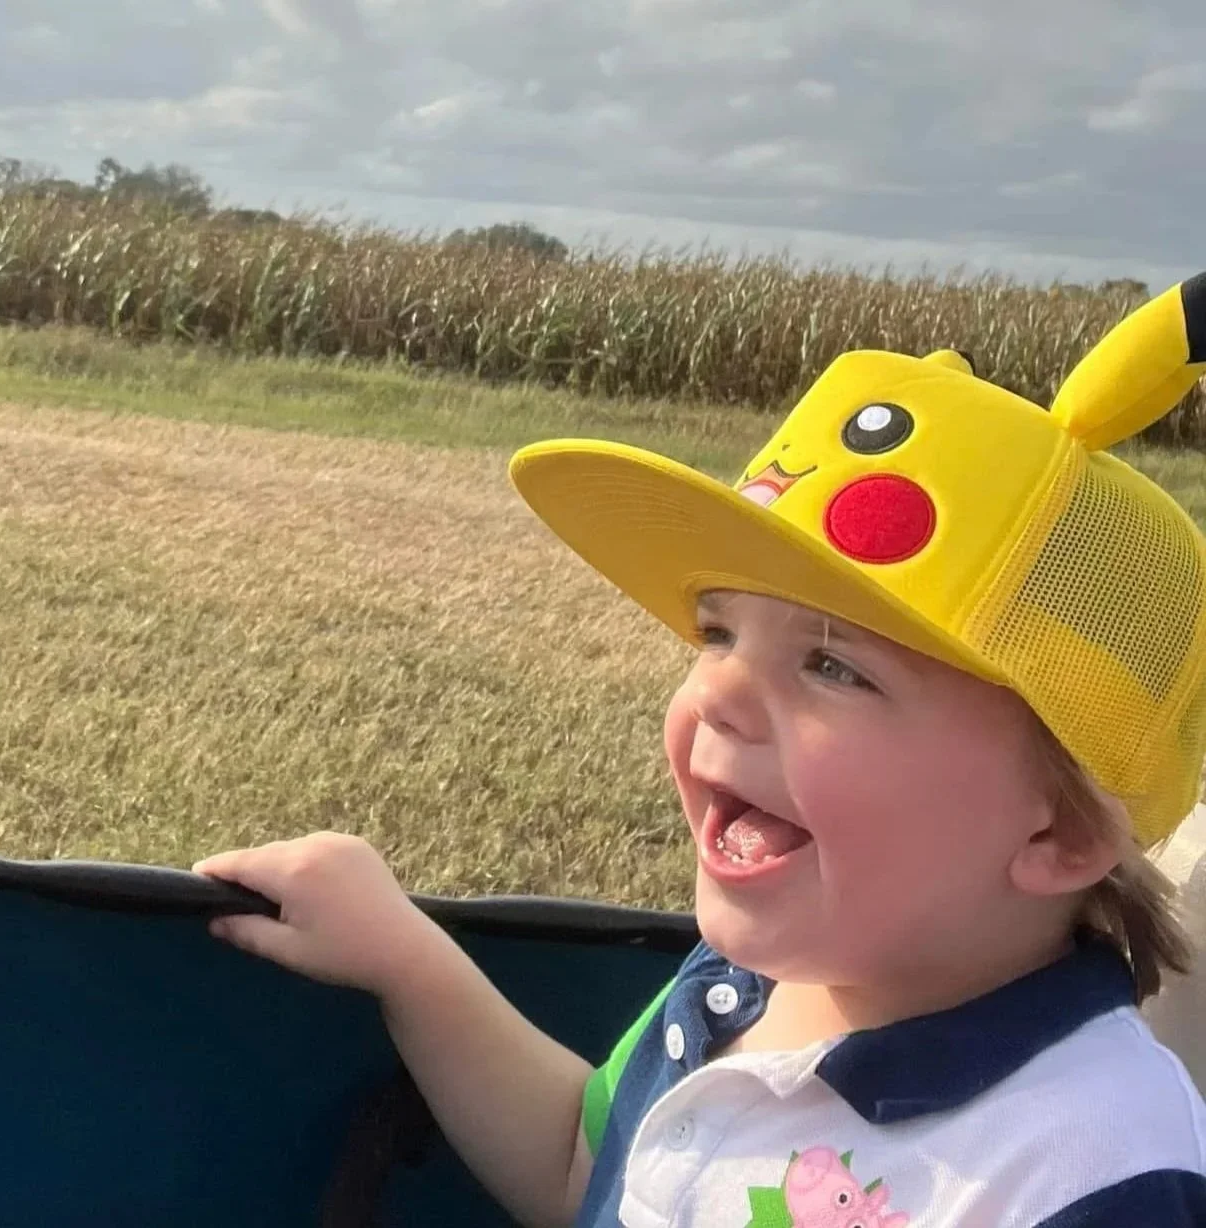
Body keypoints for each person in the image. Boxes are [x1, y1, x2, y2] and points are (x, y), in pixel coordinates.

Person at [192, 277, 1206, 1226]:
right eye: (719, 634)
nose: (714, 691)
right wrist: (409, 961)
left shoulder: (1093, 1168)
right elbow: (586, 1169)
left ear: (1062, 834)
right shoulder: (738, 983)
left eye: (832, 666)